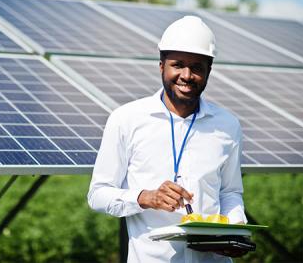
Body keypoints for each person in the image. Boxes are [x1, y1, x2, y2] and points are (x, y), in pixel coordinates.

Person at [87, 15, 247, 262]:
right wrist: (144, 197)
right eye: (178, 64)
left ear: (209, 71)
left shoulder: (228, 126)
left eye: (197, 67)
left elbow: (230, 193)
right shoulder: (126, 119)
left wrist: (235, 233)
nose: (186, 75)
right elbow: (98, 194)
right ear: (161, 65)